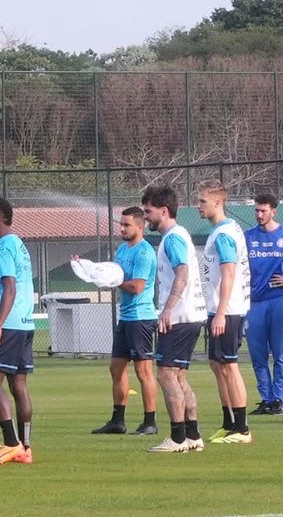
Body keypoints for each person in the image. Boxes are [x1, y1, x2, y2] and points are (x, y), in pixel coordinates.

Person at [142, 186, 209, 454]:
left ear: (164, 211)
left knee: (166, 374)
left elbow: (182, 273)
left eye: (148, 211)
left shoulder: (172, 239)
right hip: (191, 316)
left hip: (180, 317)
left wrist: (167, 310)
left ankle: (177, 439)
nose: (146, 217)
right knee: (179, 376)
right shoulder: (177, 236)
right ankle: (193, 436)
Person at [87, 206, 159, 436]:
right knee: (116, 368)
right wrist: (88, 269)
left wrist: (112, 282)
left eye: (127, 224)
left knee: (143, 371)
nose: (122, 228)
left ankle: (150, 421)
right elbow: (112, 274)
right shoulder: (122, 250)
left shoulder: (144, 252)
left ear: (140, 226)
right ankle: (117, 420)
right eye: (121, 224)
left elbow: (137, 287)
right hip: (126, 317)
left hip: (141, 318)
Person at [0, 196, 36, 467]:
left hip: (8, 324)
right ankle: (25, 448)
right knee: (19, 386)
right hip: (25, 323)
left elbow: (9, 288)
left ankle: (11, 443)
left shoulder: (2, 248)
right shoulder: (19, 244)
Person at [196, 180, 253, 445]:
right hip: (219, 309)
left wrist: (220, 313)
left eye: (202, 201)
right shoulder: (221, 230)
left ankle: (242, 429)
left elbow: (229, 273)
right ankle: (229, 423)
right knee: (217, 365)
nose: (198, 206)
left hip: (227, 311)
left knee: (229, 366)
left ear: (218, 202)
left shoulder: (224, 234)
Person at [244, 194, 283, 415]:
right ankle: (266, 399)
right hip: (255, 304)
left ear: (274, 211)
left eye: (263, 210)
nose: (259, 215)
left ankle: (279, 400)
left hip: (279, 301)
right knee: (257, 355)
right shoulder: (248, 237)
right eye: (257, 210)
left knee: (280, 354)